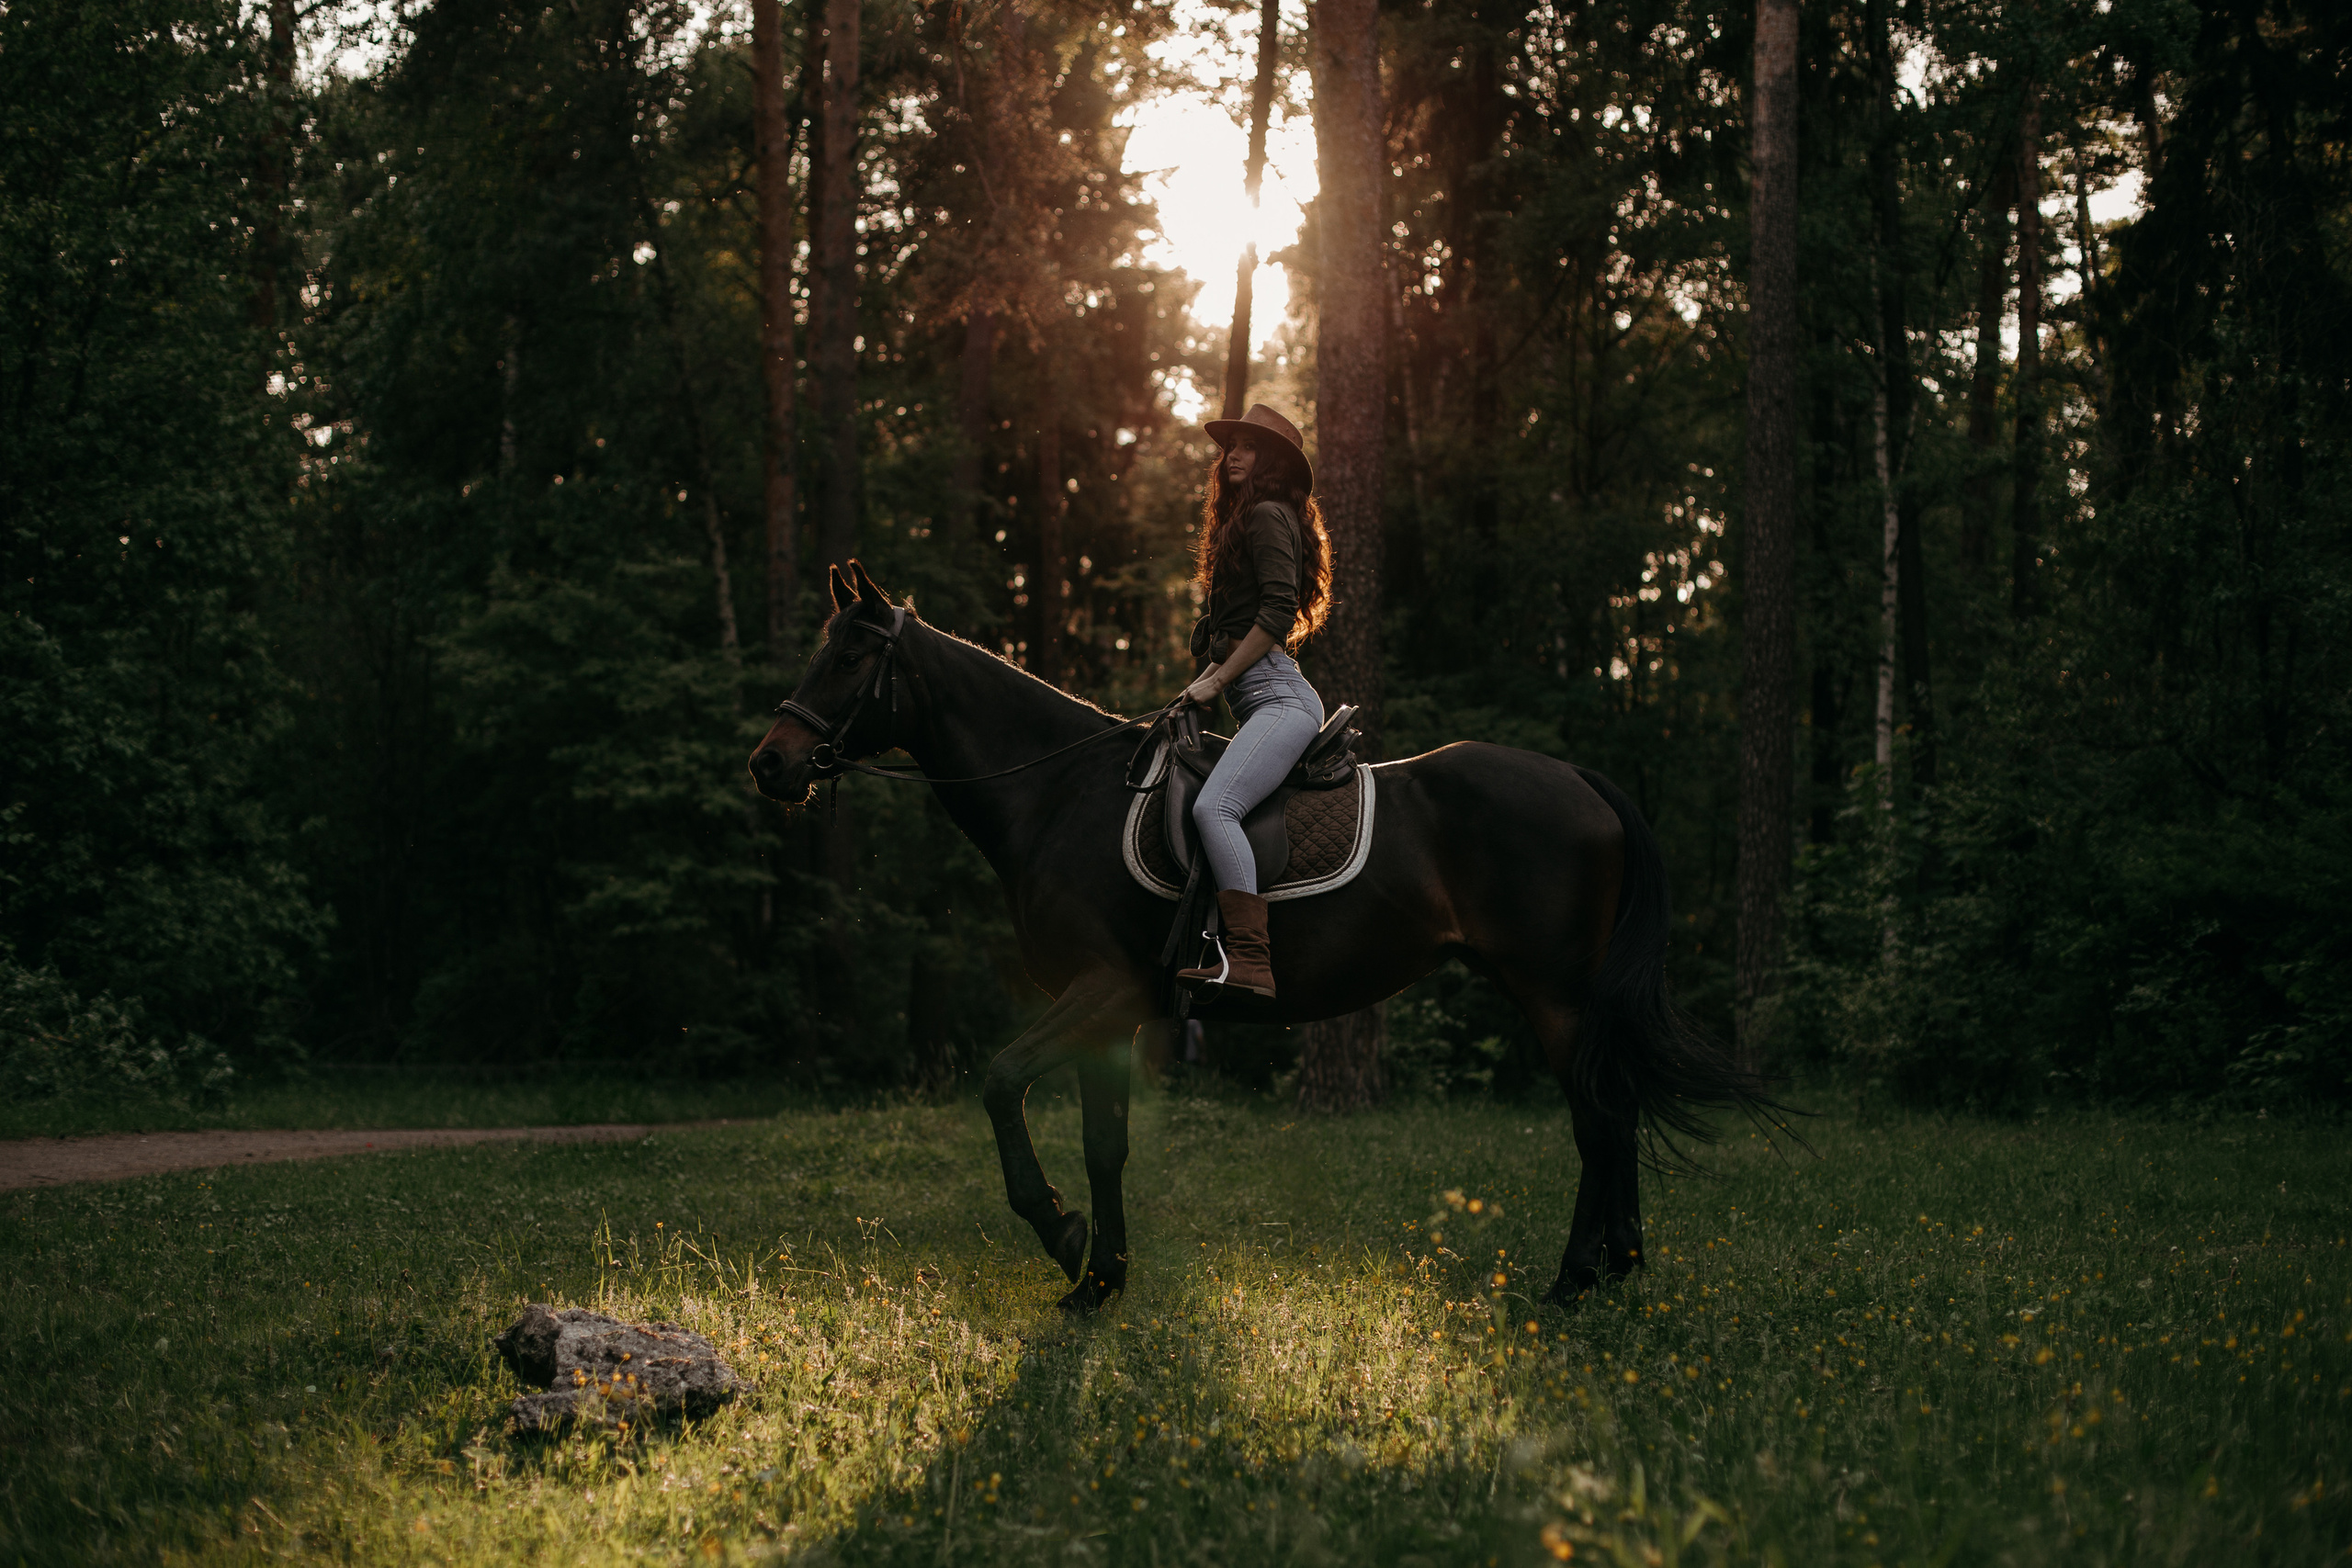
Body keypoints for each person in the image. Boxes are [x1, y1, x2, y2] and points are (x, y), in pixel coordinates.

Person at [1172, 404, 1333, 999]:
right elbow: (1239, 631)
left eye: (1246, 446)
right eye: (1229, 446)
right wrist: (1198, 686)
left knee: (1214, 808)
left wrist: (1214, 682)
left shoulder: (1267, 513)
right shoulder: (1250, 518)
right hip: (1261, 694)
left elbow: (1274, 615)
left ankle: (1250, 961)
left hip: (1281, 700)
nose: (1231, 455)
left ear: (1270, 462)